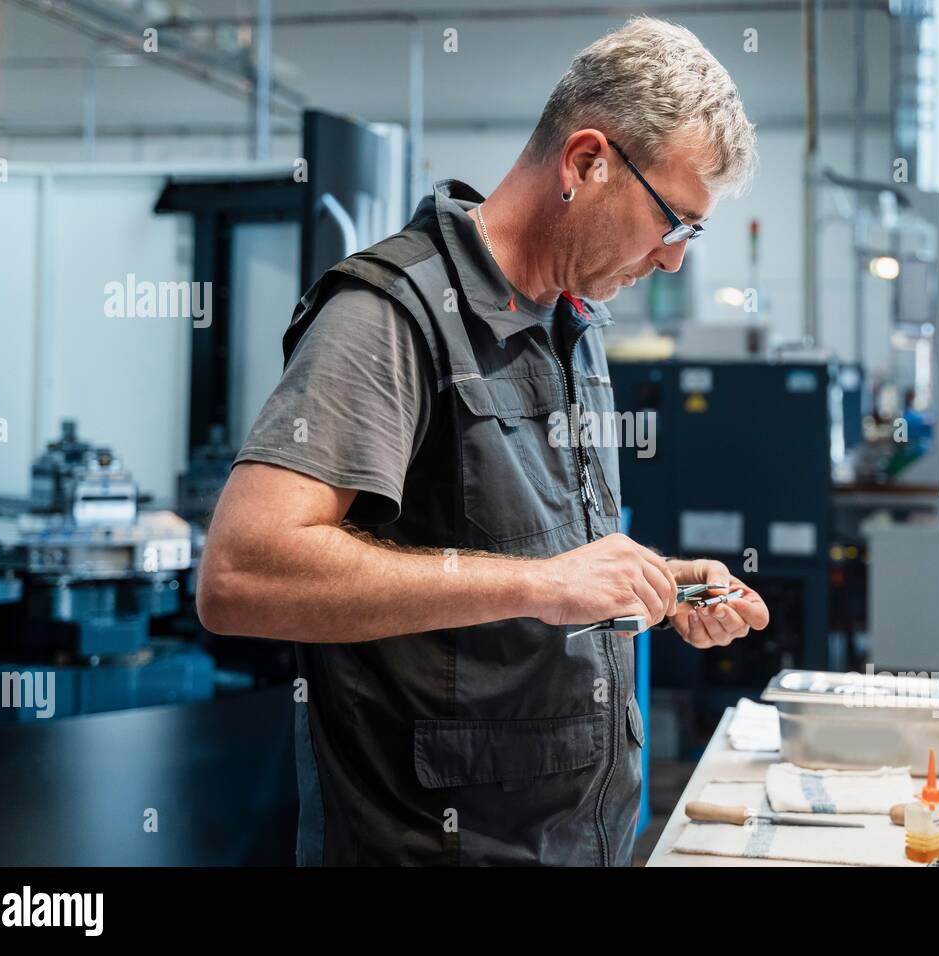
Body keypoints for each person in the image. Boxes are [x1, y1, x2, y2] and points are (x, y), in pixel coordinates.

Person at [198, 16, 766, 865]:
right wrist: (545, 582)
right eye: (672, 222)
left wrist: (653, 585)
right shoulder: (389, 317)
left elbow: (535, 569)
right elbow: (242, 574)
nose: (674, 260)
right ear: (585, 163)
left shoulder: (574, 322)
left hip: (576, 843)